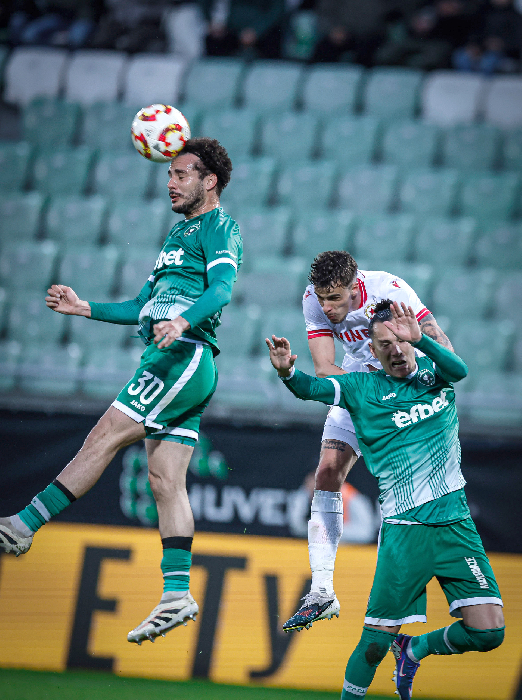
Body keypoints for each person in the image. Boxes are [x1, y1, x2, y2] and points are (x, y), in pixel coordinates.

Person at [0, 137, 242, 646]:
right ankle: (176, 594)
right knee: (164, 480)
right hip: (175, 356)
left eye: (181, 173)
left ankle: (21, 526)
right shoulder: (177, 234)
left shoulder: (219, 227)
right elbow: (140, 306)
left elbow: (221, 289)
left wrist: (182, 321)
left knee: (104, 436)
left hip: (182, 354)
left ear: (210, 181)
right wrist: (84, 308)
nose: (170, 181)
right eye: (169, 174)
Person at [266, 300, 504, 699]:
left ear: (411, 339)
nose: (395, 350)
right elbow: (312, 388)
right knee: (375, 644)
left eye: (400, 340)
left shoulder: (434, 372)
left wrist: (422, 340)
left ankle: (413, 650)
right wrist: (287, 371)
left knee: (488, 631)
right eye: (384, 344)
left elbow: (460, 371)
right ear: (372, 352)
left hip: (457, 526)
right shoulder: (363, 388)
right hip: (405, 533)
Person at [283, 250, 452, 633]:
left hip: (406, 388)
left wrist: (416, 385)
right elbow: (325, 369)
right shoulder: (313, 300)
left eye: (334, 298)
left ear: (356, 287)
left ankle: (408, 589)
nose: (327, 307)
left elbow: (443, 347)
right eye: (322, 298)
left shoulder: (390, 290)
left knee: (407, 489)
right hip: (360, 382)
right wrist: (369, 396)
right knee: (327, 473)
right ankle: (321, 591)